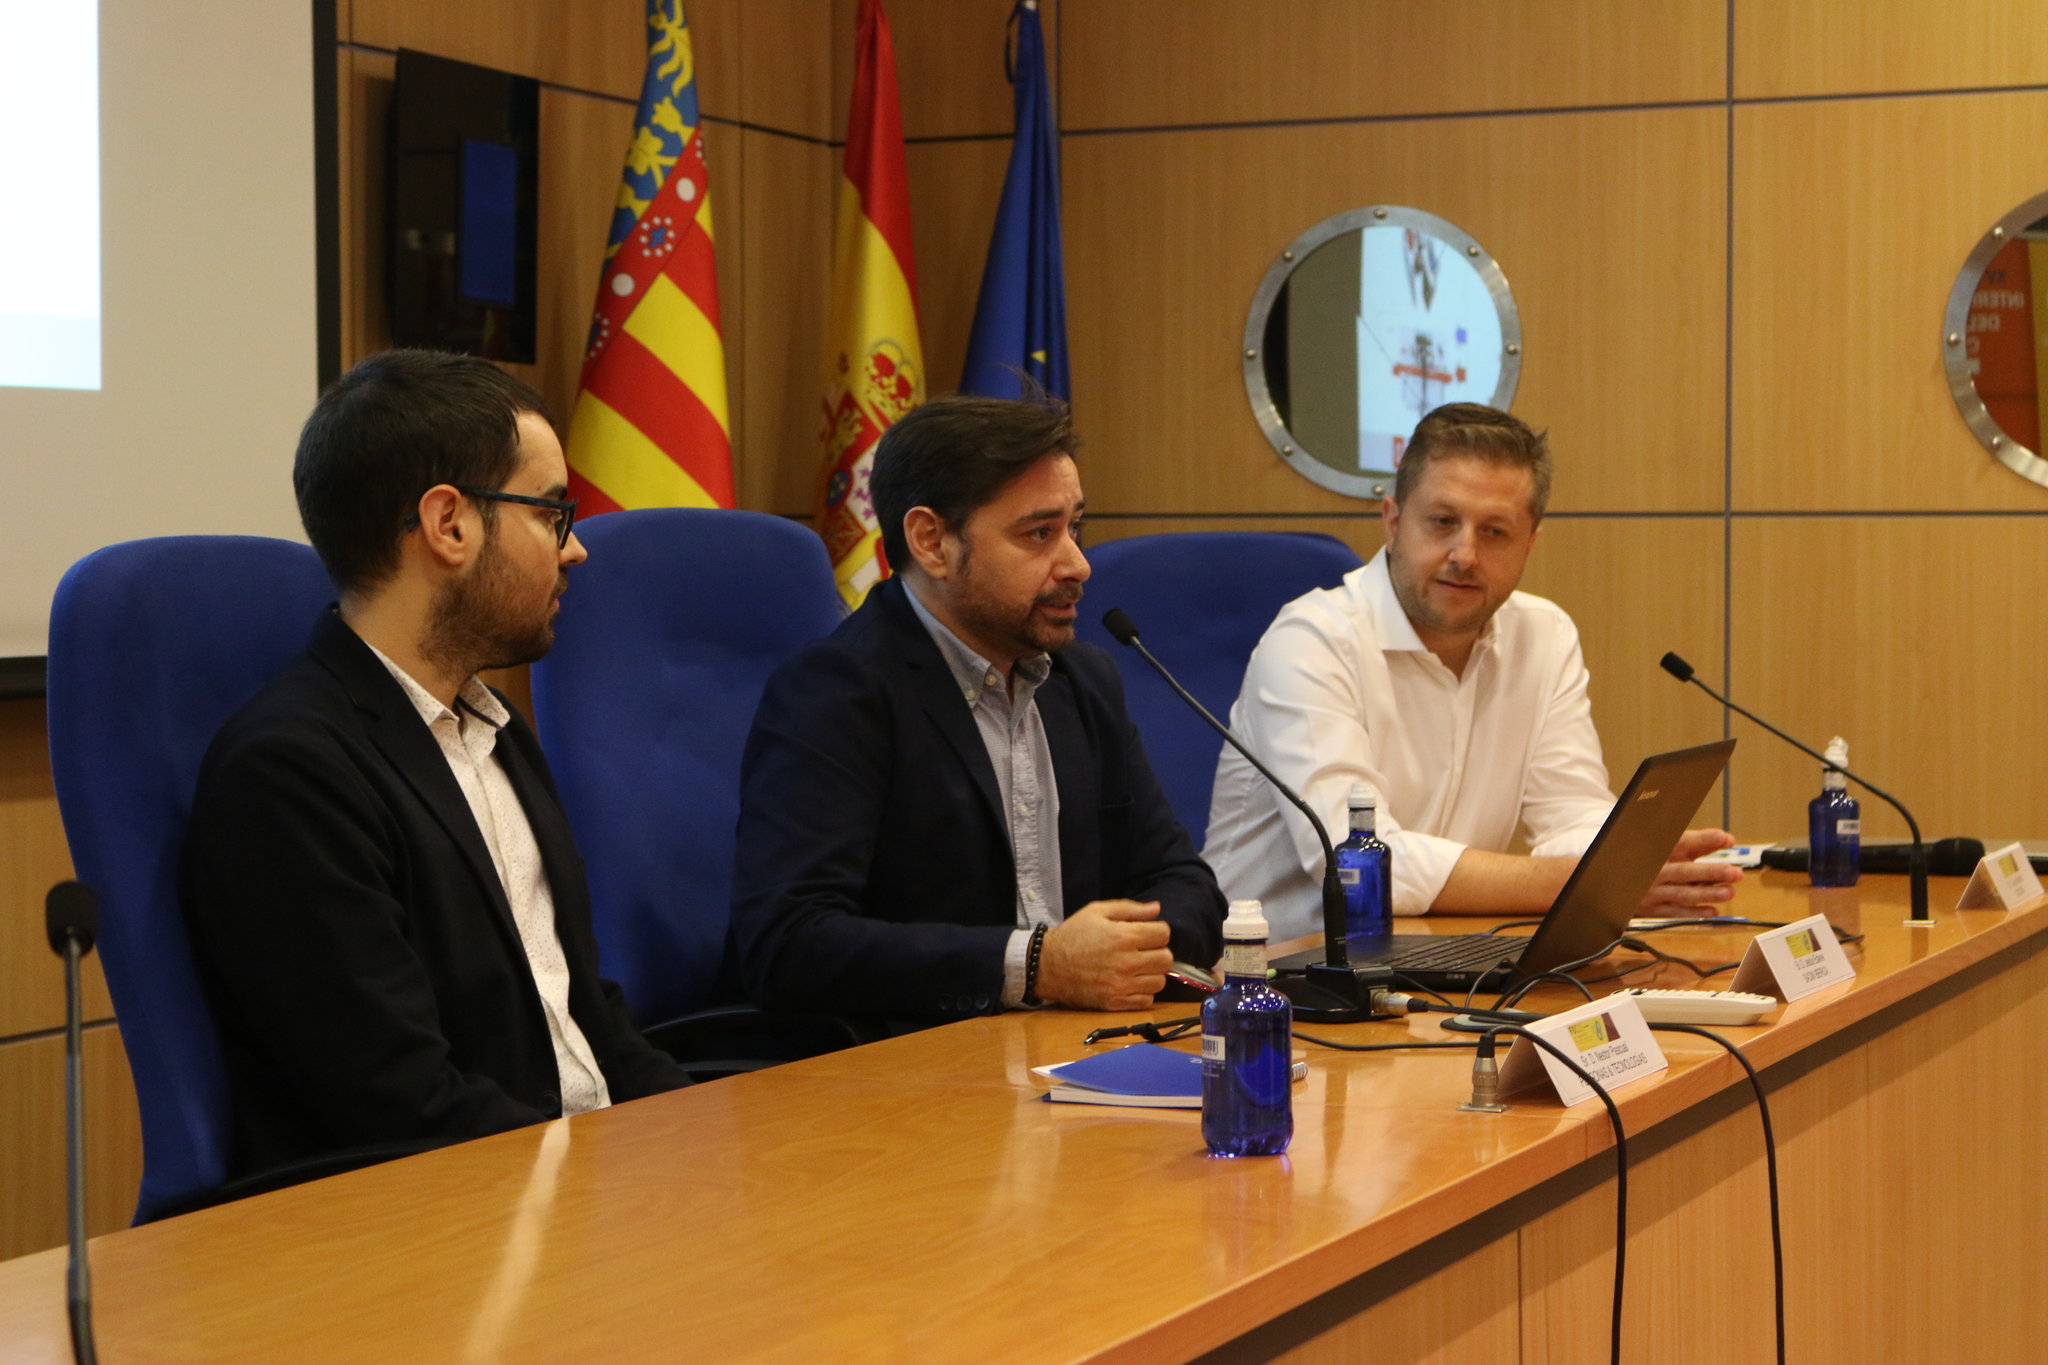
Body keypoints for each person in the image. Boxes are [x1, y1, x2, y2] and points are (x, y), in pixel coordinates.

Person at [182, 349, 687, 1186]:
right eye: (551, 512)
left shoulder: (496, 730)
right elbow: (398, 1103)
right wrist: (612, 1186)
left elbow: (586, 1018)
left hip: (579, 1182)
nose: (575, 551)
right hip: (450, 1215)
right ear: (450, 524)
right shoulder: (290, 771)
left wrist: (708, 1141)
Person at [729, 393, 1225, 1026]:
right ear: (932, 541)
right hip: (914, 1062)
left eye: (1075, 527)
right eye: (1039, 534)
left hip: (1079, 1042)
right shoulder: (838, 690)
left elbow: (1186, 885)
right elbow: (788, 944)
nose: (1078, 564)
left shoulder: (1082, 680)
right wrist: (1037, 965)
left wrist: (1121, 954)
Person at [1202, 403, 1739, 942]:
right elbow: (1358, 866)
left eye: (1495, 532)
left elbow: (1569, 812)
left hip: (1440, 957)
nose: (1464, 554)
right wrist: (1591, 881)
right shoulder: (1311, 641)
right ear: (1393, 522)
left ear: (1530, 544)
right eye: (1442, 522)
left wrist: (1637, 861)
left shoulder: (1543, 635)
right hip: (1274, 971)